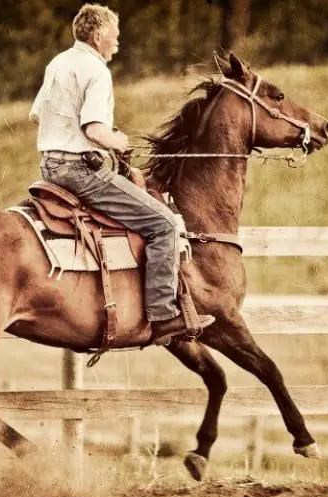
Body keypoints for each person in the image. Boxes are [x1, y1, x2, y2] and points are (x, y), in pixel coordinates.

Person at [29, 3, 214, 344]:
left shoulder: (59, 62)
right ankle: (162, 314)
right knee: (163, 224)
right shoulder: (96, 70)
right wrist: (115, 139)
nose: (117, 43)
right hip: (79, 170)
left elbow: (38, 114)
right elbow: (95, 128)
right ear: (98, 35)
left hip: (50, 168)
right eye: (114, 36)